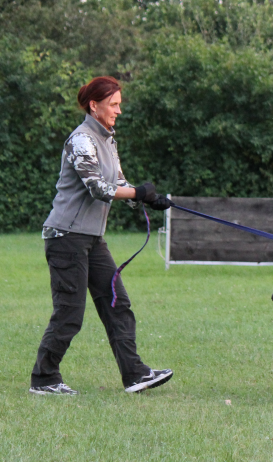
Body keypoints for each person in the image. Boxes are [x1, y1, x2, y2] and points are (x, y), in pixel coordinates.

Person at [30, 76, 174, 396]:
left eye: (119, 104)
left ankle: (135, 374)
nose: (119, 111)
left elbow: (118, 182)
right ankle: (44, 378)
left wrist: (148, 197)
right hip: (65, 237)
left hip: (92, 238)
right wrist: (137, 192)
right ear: (94, 106)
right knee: (70, 313)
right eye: (113, 104)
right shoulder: (81, 139)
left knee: (116, 302)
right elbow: (96, 187)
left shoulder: (108, 139)